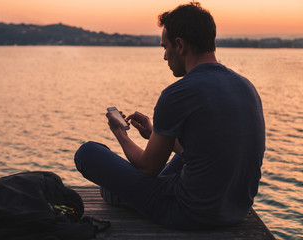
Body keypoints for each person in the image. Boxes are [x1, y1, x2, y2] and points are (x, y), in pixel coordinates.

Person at [74, 2, 265, 230]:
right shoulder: (246, 86)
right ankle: (135, 187)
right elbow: (207, 151)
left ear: (180, 45)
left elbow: (148, 168)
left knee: (88, 152)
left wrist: (120, 134)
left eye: (165, 47)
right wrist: (155, 134)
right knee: (186, 153)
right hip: (235, 210)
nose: (165, 56)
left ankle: (128, 193)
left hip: (188, 213)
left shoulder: (178, 93)